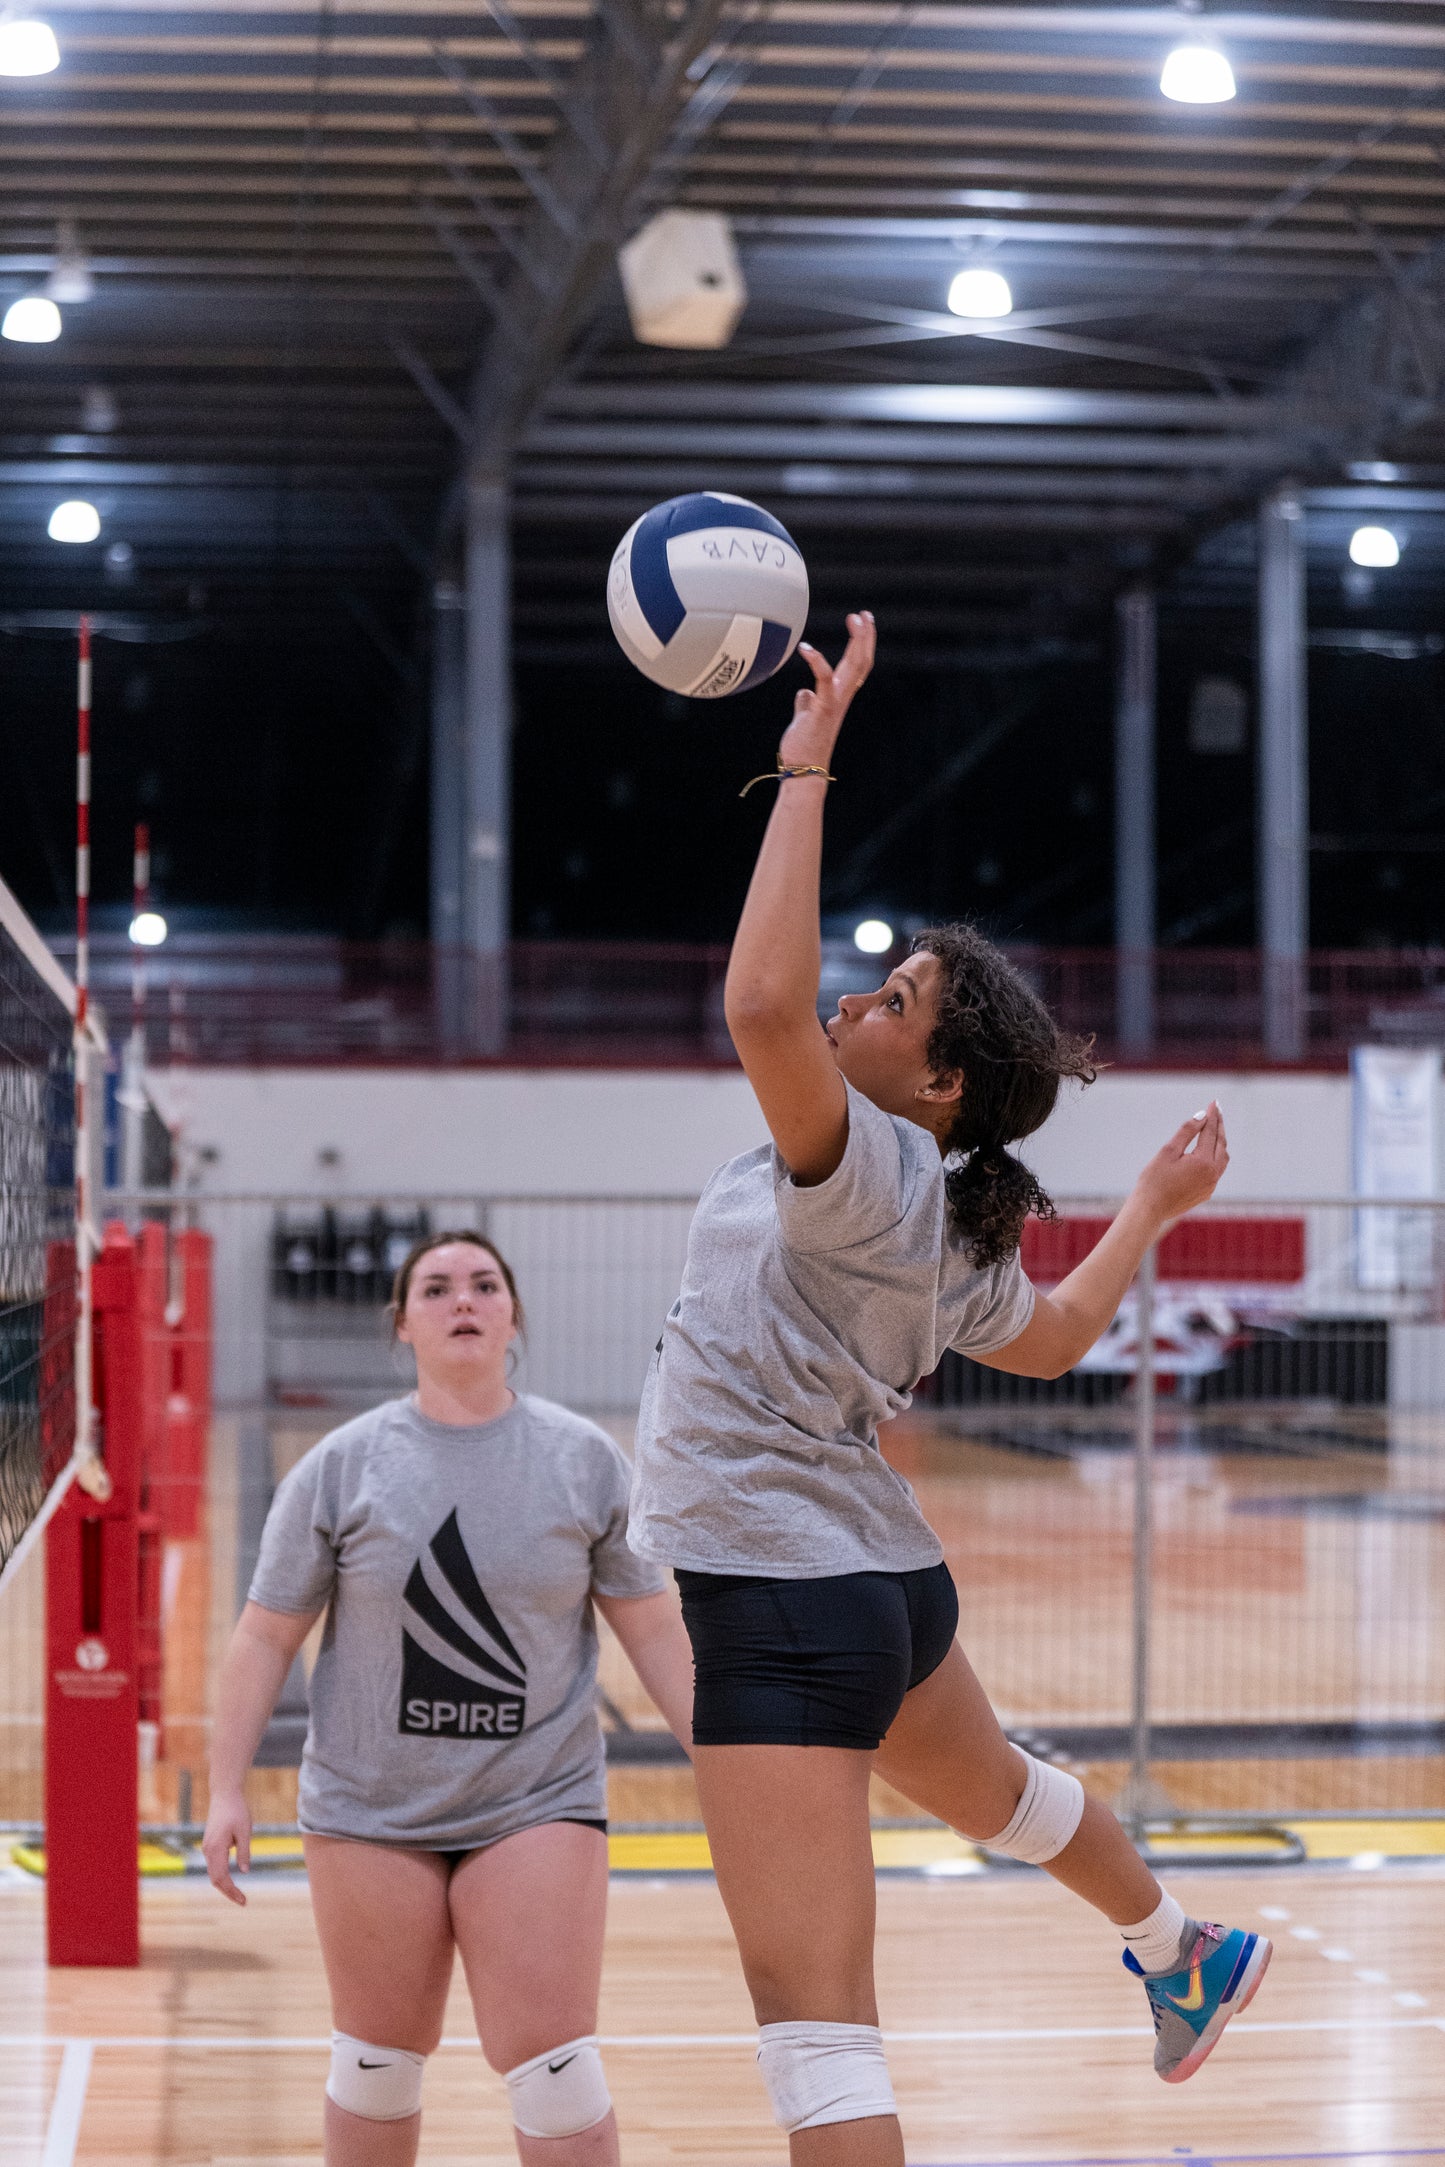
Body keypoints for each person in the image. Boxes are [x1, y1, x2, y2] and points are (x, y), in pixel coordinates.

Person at [629, 612, 1271, 2166]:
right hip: (879, 1587)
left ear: (936, 1083)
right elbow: (1049, 1338)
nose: (858, 991)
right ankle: (1184, 1942)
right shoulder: (939, 1204)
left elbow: (762, 1005)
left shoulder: (871, 1166)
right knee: (1001, 1795)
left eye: (897, 993)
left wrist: (803, 760)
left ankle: (1179, 1943)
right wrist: (1149, 1215)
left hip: (783, 1600)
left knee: (816, 2026)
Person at [203, 1230, 695, 2167]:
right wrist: (227, 1786)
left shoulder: (583, 1460)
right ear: (402, 1326)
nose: (461, 1299)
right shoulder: (342, 1466)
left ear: (512, 1314)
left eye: (482, 1283)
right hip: (368, 1806)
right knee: (376, 2064)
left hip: (533, 1800)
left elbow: (655, 1630)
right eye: (435, 1288)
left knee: (558, 2070)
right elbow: (265, 1636)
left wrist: (726, 1765)